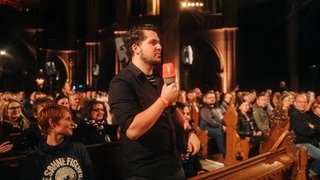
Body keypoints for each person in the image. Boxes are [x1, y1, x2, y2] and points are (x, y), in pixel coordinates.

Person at [108, 24, 200, 179]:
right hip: (145, 171)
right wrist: (163, 99)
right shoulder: (121, 82)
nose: (159, 46)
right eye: (153, 43)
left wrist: (189, 131)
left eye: (159, 42)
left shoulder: (159, 77)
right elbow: (132, 130)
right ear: (136, 48)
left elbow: (172, 109)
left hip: (173, 165)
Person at [18, 104, 94, 179]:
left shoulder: (78, 149)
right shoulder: (32, 158)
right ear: (52, 123)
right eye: (68, 119)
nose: (73, 123)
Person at [289, 93, 320, 179]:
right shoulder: (294, 115)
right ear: (295, 103)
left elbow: (316, 126)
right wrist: (313, 129)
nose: (303, 104)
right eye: (300, 102)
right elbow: (306, 132)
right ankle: (311, 174)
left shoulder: (303, 114)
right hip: (301, 143)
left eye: (305, 102)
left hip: (310, 141)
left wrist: (313, 127)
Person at [199, 90, 226, 158]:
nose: (212, 99)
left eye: (213, 97)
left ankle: (226, 151)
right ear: (205, 99)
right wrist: (221, 126)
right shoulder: (205, 108)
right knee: (218, 132)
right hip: (205, 128)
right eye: (210, 97)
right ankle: (223, 153)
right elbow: (208, 120)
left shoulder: (215, 107)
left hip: (214, 127)